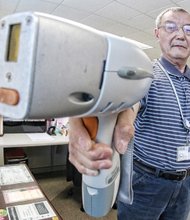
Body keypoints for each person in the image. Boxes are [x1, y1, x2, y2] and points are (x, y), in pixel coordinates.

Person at [68, 7, 190, 220]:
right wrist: (77, 122)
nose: (180, 34)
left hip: (185, 184)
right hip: (147, 184)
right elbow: (116, 105)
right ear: (157, 33)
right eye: (171, 27)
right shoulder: (145, 76)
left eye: (188, 29)